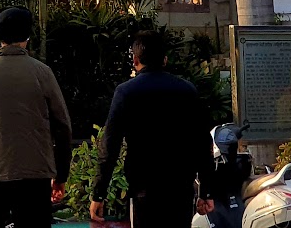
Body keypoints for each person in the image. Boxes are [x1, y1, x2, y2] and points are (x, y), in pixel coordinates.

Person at [0, 6, 72, 228]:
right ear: (28, 36)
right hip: (35, 178)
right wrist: (60, 177)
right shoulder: (42, 73)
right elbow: (63, 127)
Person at [91, 32, 216, 228]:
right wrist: (206, 191)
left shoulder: (126, 92)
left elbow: (110, 146)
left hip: (143, 188)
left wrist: (99, 193)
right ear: (165, 59)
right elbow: (202, 143)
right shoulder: (187, 90)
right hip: (180, 188)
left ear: (135, 60)